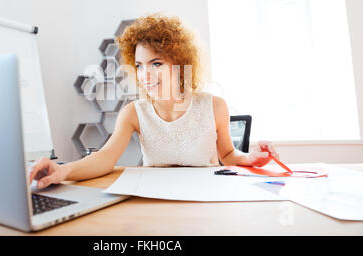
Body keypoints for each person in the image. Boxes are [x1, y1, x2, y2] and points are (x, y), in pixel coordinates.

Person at [29, 14, 279, 189]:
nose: (145, 74)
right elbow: (105, 157)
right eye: (139, 65)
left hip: (207, 196)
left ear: (181, 66)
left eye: (156, 64)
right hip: (156, 198)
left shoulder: (214, 107)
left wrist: (250, 158)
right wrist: (63, 171)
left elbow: (227, 153)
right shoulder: (134, 113)